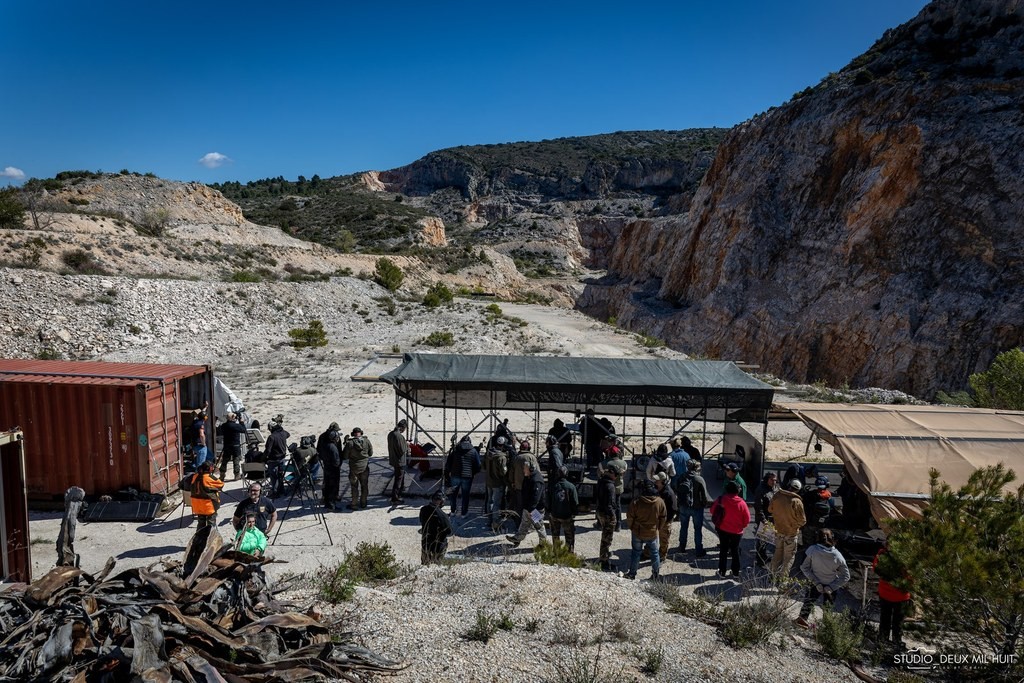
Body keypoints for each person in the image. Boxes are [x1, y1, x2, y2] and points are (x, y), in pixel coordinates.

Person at [795, 528, 850, 628]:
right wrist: (831, 587)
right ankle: (826, 628)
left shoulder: (812, 550)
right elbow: (846, 576)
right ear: (832, 538)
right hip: (831, 584)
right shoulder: (838, 556)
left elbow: (804, 567)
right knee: (828, 608)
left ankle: (802, 620)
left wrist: (816, 582)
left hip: (815, 582)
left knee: (808, 602)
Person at [873, 541, 912, 650]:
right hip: (901, 596)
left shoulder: (882, 555)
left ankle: (882, 641)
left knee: (885, 618)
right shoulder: (907, 557)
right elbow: (912, 576)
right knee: (898, 622)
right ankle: (896, 643)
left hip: (885, 593)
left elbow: (875, 569)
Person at [626, 479, 667, 580]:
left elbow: (630, 517)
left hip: (638, 532)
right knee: (655, 553)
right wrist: (658, 528)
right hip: (652, 532)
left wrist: (632, 527)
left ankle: (632, 574)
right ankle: (655, 575)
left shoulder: (636, 502)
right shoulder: (660, 501)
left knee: (636, 553)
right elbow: (663, 517)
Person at [768, 478, 806, 579]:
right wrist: (793, 525)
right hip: (791, 534)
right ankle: (782, 579)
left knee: (777, 553)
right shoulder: (796, 501)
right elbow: (802, 521)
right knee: (788, 558)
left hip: (778, 531)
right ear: (798, 490)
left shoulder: (777, 495)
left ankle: (772, 575)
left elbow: (769, 509)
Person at [710, 480, 750, 578]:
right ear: (738, 491)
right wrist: (741, 526)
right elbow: (747, 519)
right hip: (737, 531)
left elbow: (712, 510)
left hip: (723, 529)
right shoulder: (742, 503)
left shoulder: (721, 499)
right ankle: (735, 572)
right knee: (735, 551)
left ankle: (722, 572)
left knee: (723, 550)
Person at [506, 460, 547, 547]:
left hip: (535, 509)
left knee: (539, 526)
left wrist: (531, 509)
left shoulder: (537, 480)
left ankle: (543, 544)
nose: (523, 470)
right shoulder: (528, 477)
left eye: (525, 468)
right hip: (528, 508)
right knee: (524, 524)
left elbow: (536, 497)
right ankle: (517, 538)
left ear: (530, 469)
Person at [675, 458, 710, 557]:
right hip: (697, 507)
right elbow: (704, 496)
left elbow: (677, 489)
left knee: (683, 527)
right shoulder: (699, 479)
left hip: (683, 506)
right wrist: (703, 504)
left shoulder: (682, 477)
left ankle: (682, 547)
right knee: (698, 529)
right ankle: (698, 550)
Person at [444, 435, 480, 517]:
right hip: (467, 476)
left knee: (453, 494)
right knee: (465, 495)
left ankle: (453, 511)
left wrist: (449, 472)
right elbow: (478, 466)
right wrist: (473, 473)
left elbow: (448, 463)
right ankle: (464, 513)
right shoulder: (473, 451)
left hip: (455, 475)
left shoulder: (455, 450)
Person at [596, 464, 621, 571]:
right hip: (607, 514)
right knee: (607, 538)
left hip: (600, 512)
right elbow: (610, 504)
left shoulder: (601, 482)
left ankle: (604, 557)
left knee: (605, 536)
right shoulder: (610, 486)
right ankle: (604, 560)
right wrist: (613, 516)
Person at [548, 466, 579, 553]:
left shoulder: (552, 485)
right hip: (567, 516)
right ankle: (569, 554)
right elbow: (575, 502)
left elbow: (547, 500)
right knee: (569, 536)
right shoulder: (571, 487)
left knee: (555, 535)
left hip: (554, 515)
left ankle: (556, 553)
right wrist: (574, 513)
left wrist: (549, 511)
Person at [753, 471, 779, 568]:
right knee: (762, 541)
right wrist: (764, 521)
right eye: (771, 480)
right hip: (764, 519)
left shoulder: (776, 489)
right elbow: (758, 507)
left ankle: (763, 556)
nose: (774, 482)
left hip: (774, 519)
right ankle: (760, 560)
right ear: (767, 479)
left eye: (775, 480)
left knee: (768, 541)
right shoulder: (761, 490)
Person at [343, 427, 373, 510]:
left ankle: (354, 504)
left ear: (353, 434)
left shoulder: (350, 443)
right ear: (361, 433)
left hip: (354, 468)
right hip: (364, 467)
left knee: (354, 486)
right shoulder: (366, 441)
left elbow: (345, 456)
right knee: (364, 485)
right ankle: (363, 502)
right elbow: (370, 453)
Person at [419, 490, 453, 564]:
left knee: (425, 565)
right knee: (437, 565)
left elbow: (422, 521)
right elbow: (449, 531)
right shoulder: (443, 516)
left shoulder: (423, 509)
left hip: (426, 543)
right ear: (441, 501)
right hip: (438, 546)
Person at [189, 462, 224, 529]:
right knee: (211, 524)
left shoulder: (195, 476)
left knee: (201, 523)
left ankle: (199, 537)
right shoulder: (208, 477)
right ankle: (211, 537)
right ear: (210, 469)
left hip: (197, 505)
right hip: (208, 505)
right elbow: (221, 484)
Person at [484, 440, 508, 533]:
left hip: (489, 481)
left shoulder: (488, 454)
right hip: (498, 483)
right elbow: (503, 472)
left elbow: (483, 467)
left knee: (489, 501)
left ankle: (489, 521)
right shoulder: (501, 457)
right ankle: (495, 522)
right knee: (496, 504)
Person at [653, 472, 677, 563]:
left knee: (664, 540)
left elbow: (673, 509)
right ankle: (648, 553)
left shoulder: (669, 494)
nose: (655, 482)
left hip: (665, 521)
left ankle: (662, 556)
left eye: (657, 481)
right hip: (656, 520)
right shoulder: (658, 490)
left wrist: (665, 521)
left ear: (663, 482)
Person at [263, 420, 290, 497]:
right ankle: (281, 490)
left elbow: (268, 450)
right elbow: (288, 434)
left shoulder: (272, 437)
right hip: (282, 458)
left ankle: (275, 493)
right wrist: (280, 427)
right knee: (280, 475)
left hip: (273, 459)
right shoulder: (283, 433)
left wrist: (264, 459)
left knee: (274, 477)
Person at [217, 412, 247, 480]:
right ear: (233, 418)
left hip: (227, 446)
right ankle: (237, 475)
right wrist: (241, 422)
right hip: (235, 446)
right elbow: (243, 430)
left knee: (224, 461)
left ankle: (222, 475)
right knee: (236, 461)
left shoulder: (224, 426)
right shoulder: (235, 426)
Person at [387, 419, 410, 503]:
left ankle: (397, 494)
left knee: (398, 478)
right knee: (398, 480)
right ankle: (395, 497)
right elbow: (402, 450)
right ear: (403, 428)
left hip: (393, 459)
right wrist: (407, 445)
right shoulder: (399, 436)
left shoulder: (391, 434)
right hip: (399, 461)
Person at [319, 428, 342, 510]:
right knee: (333, 487)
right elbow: (336, 462)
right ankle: (332, 505)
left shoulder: (325, 444)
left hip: (327, 467)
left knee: (327, 486)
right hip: (333, 470)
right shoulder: (333, 448)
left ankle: (327, 502)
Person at [543, 434, 565, 508]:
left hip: (554, 478)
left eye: (546, 442)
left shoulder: (554, 451)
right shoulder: (556, 450)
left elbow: (557, 465)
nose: (546, 444)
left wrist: (554, 474)